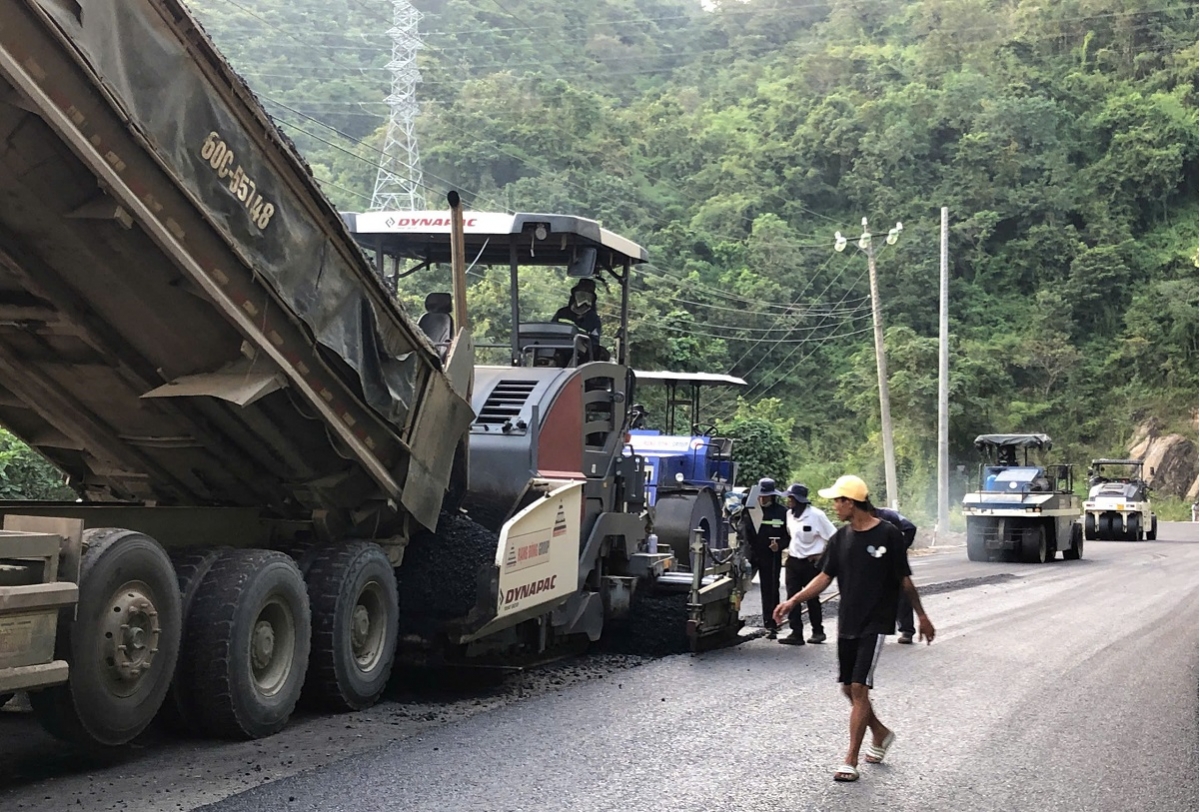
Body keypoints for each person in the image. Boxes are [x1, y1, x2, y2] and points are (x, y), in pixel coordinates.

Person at [774, 474, 935, 783]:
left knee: (860, 687)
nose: (835, 506)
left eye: (838, 501)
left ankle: (850, 759)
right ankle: (881, 732)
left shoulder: (889, 534)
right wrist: (793, 600)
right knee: (848, 688)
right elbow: (824, 577)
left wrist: (922, 617)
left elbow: (904, 580)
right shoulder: (840, 539)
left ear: (851, 502)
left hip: (876, 621)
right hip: (848, 620)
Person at [780, 483, 836, 645]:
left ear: (798, 500)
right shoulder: (789, 515)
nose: (788, 501)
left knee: (812, 597)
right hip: (793, 561)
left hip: (811, 563)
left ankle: (818, 631)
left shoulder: (817, 516)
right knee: (792, 597)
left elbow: (834, 538)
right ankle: (796, 632)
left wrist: (822, 556)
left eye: (791, 498)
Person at [743, 477, 788, 640]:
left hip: (771, 555)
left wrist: (779, 546)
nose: (762, 498)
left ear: (772, 496)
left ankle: (771, 624)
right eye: (760, 495)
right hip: (751, 554)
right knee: (738, 587)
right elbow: (744, 532)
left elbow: (789, 535)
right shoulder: (751, 510)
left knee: (770, 589)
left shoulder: (782, 512)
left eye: (766, 496)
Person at [874, 506, 918, 644]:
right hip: (876, 559)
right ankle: (874, 630)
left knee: (902, 593)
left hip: (894, 560)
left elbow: (910, 527)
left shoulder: (888, 515)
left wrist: (901, 548)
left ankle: (907, 630)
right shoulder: (861, 522)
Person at [552, 278, 607, 361]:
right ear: (574, 295)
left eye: (588, 295)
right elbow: (552, 331)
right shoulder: (562, 313)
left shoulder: (593, 319)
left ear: (592, 299)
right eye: (581, 294)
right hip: (559, 350)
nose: (584, 299)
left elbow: (594, 342)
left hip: (582, 356)